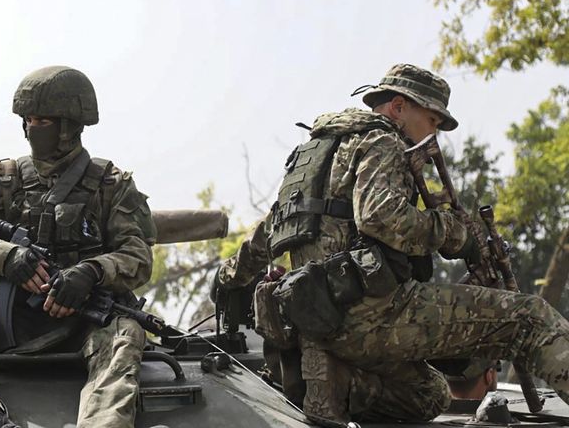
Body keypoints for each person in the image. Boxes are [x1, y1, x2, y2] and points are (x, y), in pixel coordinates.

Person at [215, 63, 569, 425]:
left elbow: (270, 229)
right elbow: (379, 217)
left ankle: (341, 382)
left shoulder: (316, 152)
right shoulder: (383, 141)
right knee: (530, 318)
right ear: (399, 107)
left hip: (316, 324)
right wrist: (455, 234)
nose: (433, 133)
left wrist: (228, 276)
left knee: (430, 393)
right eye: (431, 120)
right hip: (373, 313)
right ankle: (336, 378)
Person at [0, 66, 156, 428]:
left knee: (126, 332)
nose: (32, 128)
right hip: (6, 318)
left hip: (83, 323)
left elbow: (138, 256)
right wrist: (4, 256)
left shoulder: (111, 185)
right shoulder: (4, 180)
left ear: (69, 125)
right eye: (28, 120)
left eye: (42, 121)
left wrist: (91, 272)